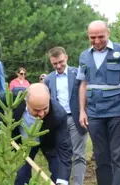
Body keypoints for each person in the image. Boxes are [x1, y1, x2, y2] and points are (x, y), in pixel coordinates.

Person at [77, 20, 120, 185]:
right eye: (92, 37)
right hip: (94, 114)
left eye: (100, 37)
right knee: (101, 157)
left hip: (118, 112)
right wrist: (82, 111)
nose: (97, 41)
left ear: (108, 33)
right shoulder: (84, 56)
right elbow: (83, 84)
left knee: (119, 158)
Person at [0, 83, 72, 185]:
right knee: (20, 175)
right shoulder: (15, 97)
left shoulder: (59, 115)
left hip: (48, 141)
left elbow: (64, 150)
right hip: (22, 143)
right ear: (26, 101)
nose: (41, 114)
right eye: (36, 110)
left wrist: (62, 180)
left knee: (59, 172)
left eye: (45, 109)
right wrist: (3, 126)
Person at [44, 47, 87, 185]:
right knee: (61, 155)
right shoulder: (48, 79)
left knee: (78, 154)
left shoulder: (77, 74)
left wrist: (84, 113)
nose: (58, 66)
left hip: (76, 118)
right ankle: (63, 182)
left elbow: (86, 93)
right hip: (57, 122)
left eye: (61, 62)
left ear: (66, 58)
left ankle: (78, 183)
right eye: (55, 64)